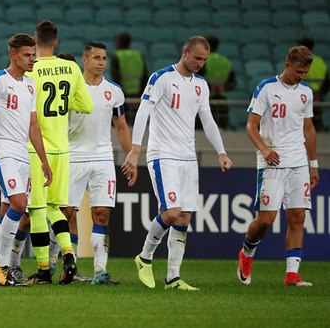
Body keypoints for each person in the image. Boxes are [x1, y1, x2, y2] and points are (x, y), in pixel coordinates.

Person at [122, 36, 233, 291]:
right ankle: (145, 257)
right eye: (197, 58)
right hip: (163, 154)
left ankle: (173, 277)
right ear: (185, 52)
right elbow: (143, 111)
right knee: (171, 212)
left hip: (187, 157)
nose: (201, 63)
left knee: (184, 217)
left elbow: (207, 119)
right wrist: (135, 149)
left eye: (204, 60)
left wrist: (221, 151)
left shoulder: (201, 85)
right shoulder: (161, 78)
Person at [237, 46, 319, 287]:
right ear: (287, 65)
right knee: (266, 220)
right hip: (271, 161)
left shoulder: (306, 92)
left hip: (298, 163)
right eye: (298, 71)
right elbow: (251, 125)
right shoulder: (266, 88)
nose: (302, 76)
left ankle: (292, 274)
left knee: (297, 216)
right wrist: (264, 149)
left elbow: (309, 129)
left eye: (305, 72)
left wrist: (313, 164)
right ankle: (247, 253)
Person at [0, 33, 52, 286]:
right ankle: (2, 265)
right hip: (1, 150)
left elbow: (33, 125)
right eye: (27, 55)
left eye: (33, 55)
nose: (32, 59)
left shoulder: (31, 85)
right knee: (20, 204)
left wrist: (43, 160)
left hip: (21, 152)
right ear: (13, 55)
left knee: (9, 208)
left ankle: (3, 270)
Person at [23, 20, 94, 285]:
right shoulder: (72, 68)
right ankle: (69, 254)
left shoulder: (31, 70)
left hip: (36, 149)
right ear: (56, 42)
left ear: (34, 39)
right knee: (56, 208)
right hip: (62, 149)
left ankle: (43, 271)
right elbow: (86, 105)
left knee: (37, 210)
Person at [65, 42, 133, 285]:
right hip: (72, 157)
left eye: (104, 58)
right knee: (67, 213)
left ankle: (100, 270)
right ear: (84, 60)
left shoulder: (114, 90)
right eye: (96, 57)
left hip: (103, 158)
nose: (101, 62)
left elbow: (121, 126)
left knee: (102, 213)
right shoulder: (71, 88)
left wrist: (131, 156)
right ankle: (68, 269)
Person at [198, 35, 236, 128]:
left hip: (204, 101)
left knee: (201, 134)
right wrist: (223, 87)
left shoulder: (202, 61)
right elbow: (233, 83)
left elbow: (194, 79)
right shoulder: (226, 62)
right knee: (222, 134)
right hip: (221, 102)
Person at [110, 31, 148, 123]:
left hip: (122, 99)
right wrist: (141, 96)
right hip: (137, 98)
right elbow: (145, 77)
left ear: (118, 42)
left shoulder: (117, 56)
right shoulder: (138, 55)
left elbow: (115, 79)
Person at [297, 36, 328, 131]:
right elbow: (327, 83)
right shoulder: (320, 61)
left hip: (301, 97)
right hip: (317, 98)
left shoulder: (298, 62)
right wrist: (318, 94)